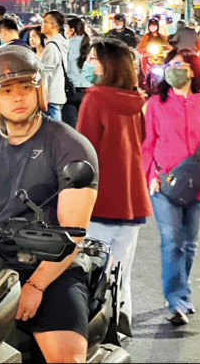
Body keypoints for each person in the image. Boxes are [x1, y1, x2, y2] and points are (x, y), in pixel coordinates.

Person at [0, 46, 99, 362]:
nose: (18, 97)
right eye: (6, 90)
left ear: (39, 91)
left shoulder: (69, 146)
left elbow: (74, 233)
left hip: (54, 267)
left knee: (65, 359)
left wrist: (36, 285)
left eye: (25, 87)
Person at [76, 39, 150, 337]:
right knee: (121, 272)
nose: (89, 64)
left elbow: (84, 151)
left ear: (107, 66)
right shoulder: (136, 101)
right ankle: (120, 321)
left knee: (93, 273)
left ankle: (100, 332)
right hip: (133, 201)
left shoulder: (95, 98)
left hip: (101, 201)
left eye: (94, 59)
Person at [141, 48, 200, 326]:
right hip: (165, 182)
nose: (173, 69)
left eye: (179, 64)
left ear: (192, 70)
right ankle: (177, 301)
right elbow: (147, 144)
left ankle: (182, 292)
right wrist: (150, 175)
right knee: (172, 243)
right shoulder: (155, 104)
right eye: (169, 65)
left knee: (189, 245)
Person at [40, 11, 70, 122]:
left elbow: (47, 73)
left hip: (51, 96)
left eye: (44, 22)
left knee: (55, 130)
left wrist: (42, 95)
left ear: (53, 26)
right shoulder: (60, 42)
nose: (42, 25)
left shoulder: (52, 46)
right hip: (57, 94)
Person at [62, 17, 92, 128]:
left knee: (72, 128)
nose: (66, 31)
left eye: (67, 28)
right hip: (88, 91)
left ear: (72, 30)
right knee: (86, 126)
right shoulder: (90, 44)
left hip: (72, 90)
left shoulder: (67, 45)